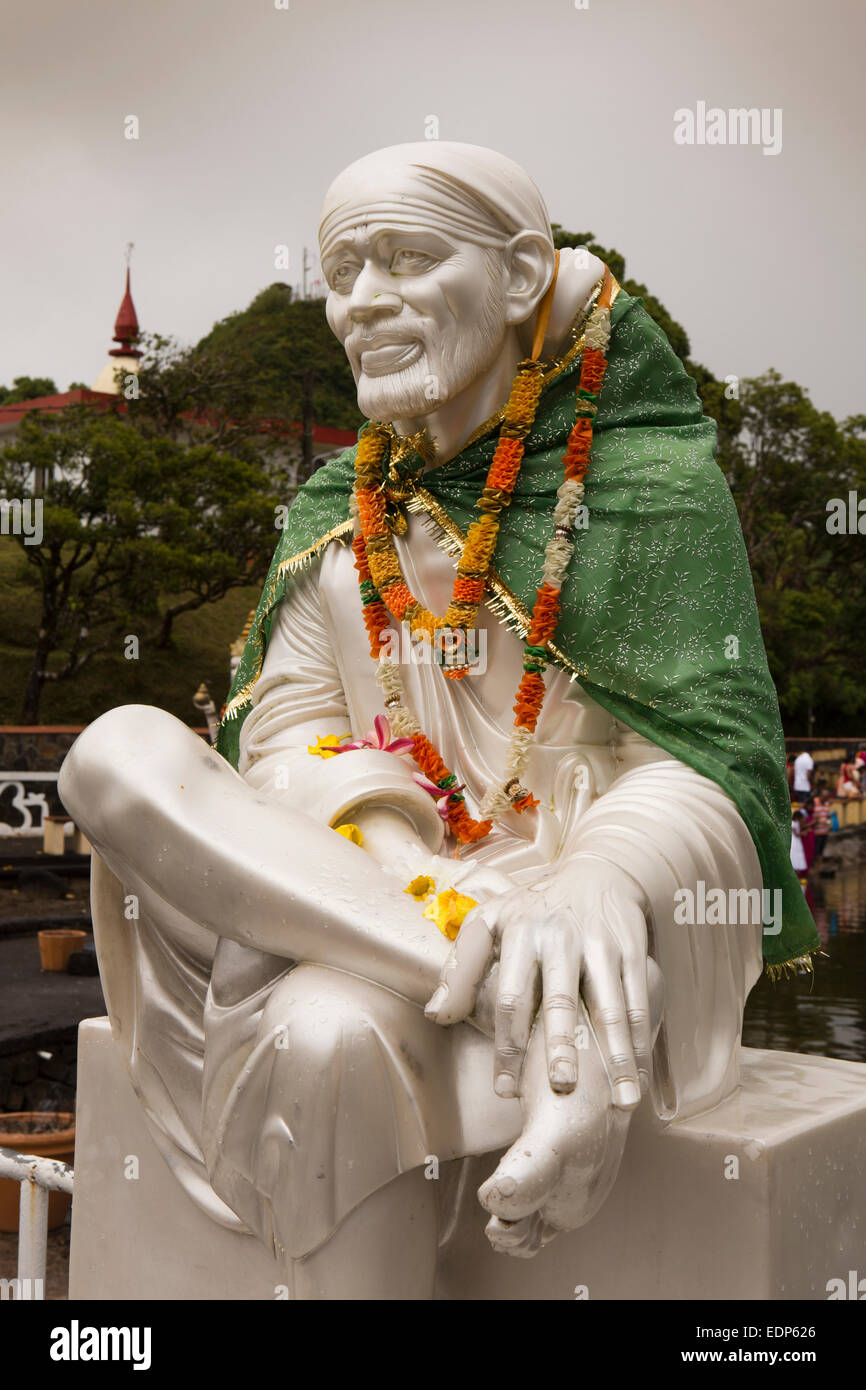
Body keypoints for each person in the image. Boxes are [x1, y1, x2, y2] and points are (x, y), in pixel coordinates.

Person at [59, 142, 820, 1297]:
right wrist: (401, 857)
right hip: (376, 881)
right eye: (341, 270)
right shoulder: (342, 505)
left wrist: (595, 879)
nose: (363, 301)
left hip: (585, 904)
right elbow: (281, 735)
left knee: (322, 1032)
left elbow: (709, 765)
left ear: (520, 275)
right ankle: (519, 1004)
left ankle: (548, 996)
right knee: (114, 753)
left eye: (406, 260)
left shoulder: (637, 484)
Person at [812, 790, 833, 866]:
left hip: (824, 831)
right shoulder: (814, 802)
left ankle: (819, 867)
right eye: (825, 797)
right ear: (821, 796)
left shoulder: (827, 803)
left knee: (821, 851)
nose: (827, 799)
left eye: (827, 797)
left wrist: (829, 820)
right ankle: (813, 867)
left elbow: (827, 815)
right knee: (815, 851)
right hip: (816, 832)